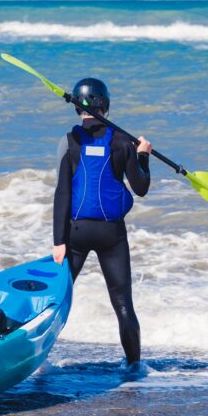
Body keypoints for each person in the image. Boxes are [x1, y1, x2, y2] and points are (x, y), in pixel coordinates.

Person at [52, 78, 152, 367]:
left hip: (75, 233)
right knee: (122, 304)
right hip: (111, 235)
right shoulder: (123, 141)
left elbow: (62, 193)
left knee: (55, 301)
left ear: (78, 108)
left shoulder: (70, 140)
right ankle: (134, 366)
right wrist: (143, 156)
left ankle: (30, 354)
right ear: (105, 104)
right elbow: (141, 187)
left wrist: (59, 241)